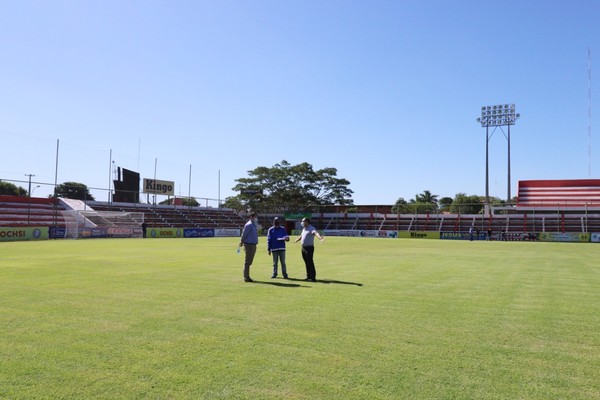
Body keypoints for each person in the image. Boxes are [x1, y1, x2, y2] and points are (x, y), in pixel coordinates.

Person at [294, 217, 324, 282]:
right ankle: (308, 276)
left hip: (309, 248)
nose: (302, 223)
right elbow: (302, 236)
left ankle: (313, 277)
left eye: (303, 221)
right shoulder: (304, 228)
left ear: (307, 222)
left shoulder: (311, 228)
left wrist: (320, 238)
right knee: (306, 262)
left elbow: (315, 233)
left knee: (310, 262)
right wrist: (297, 240)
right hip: (303, 248)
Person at [239, 212, 259, 282]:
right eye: (254, 216)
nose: (255, 218)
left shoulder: (253, 225)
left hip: (253, 244)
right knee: (247, 262)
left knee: (249, 261)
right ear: (251, 217)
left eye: (255, 216)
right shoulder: (249, 225)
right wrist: (241, 242)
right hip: (249, 245)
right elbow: (244, 234)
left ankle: (247, 276)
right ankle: (246, 277)